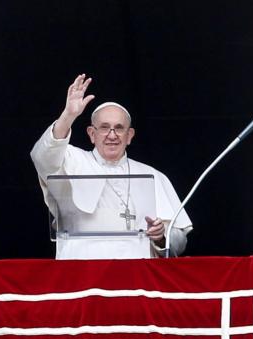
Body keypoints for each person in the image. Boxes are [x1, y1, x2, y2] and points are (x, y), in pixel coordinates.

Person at [31, 74, 192, 259]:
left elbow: (180, 242)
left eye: (119, 128)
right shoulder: (72, 160)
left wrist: (162, 237)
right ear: (92, 133)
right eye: (104, 127)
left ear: (130, 135)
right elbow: (42, 156)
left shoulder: (153, 175)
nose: (112, 135)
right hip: (81, 276)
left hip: (136, 278)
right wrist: (68, 115)